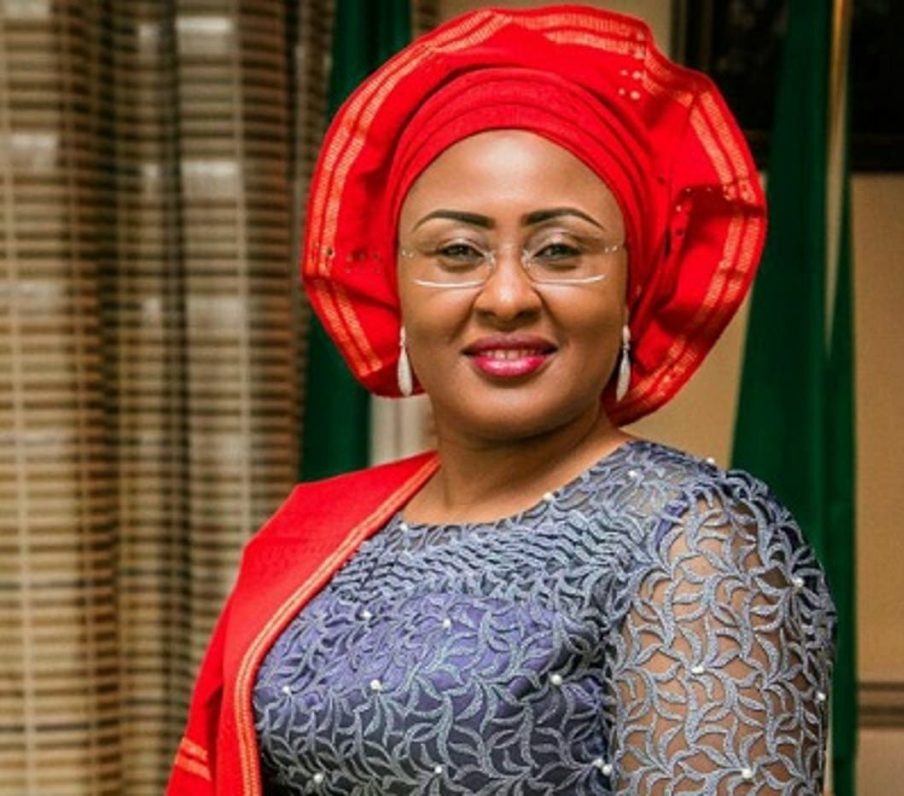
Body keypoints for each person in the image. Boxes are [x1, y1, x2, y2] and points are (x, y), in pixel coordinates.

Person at [167, 6, 835, 795]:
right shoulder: (332, 537)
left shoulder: (698, 544)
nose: (508, 296)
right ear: (395, 285)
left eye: (561, 250)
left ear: (633, 287)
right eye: (457, 251)